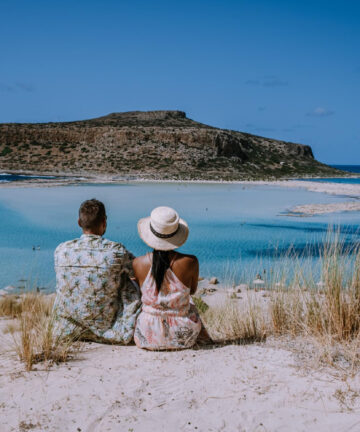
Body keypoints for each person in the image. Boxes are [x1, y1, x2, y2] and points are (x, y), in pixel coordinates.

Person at [52, 198, 141, 344]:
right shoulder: (116, 251)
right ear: (104, 221)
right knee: (126, 278)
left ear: (79, 222)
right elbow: (137, 272)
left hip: (65, 330)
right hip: (108, 330)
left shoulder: (61, 250)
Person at [133, 206, 207, 350]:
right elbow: (192, 291)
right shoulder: (190, 262)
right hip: (184, 336)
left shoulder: (138, 263)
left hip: (147, 335)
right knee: (191, 303)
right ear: (176, 233)